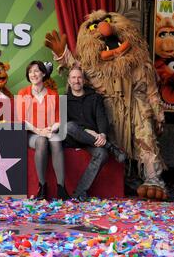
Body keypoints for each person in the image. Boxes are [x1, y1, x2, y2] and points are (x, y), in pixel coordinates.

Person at [65, 66, 127, 201]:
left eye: (79, 77)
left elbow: (101, 118)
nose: (77, 80)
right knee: (69, 126)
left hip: (91, 140)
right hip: (73, 138)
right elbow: (64, 122)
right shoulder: (63, 99)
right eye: (73, 78)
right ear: (69, 81)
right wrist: (85, 131)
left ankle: (79, 192)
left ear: (84, 80)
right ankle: (110, 147)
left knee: (102, 154)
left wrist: (103, 134)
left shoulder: (95, 98)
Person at [16, 61, 69, 200]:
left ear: (43, 73)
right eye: (30, 72)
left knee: (56, 141)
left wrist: (50, 129)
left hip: (49, 131)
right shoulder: (23, 93)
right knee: (41, 141)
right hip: (32, 134)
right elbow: (22, 120)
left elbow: (59, 119)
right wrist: (40, 131)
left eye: (36, 71)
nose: (33, 74)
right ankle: (42, 186)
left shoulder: (53, 94)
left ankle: (61, 187)